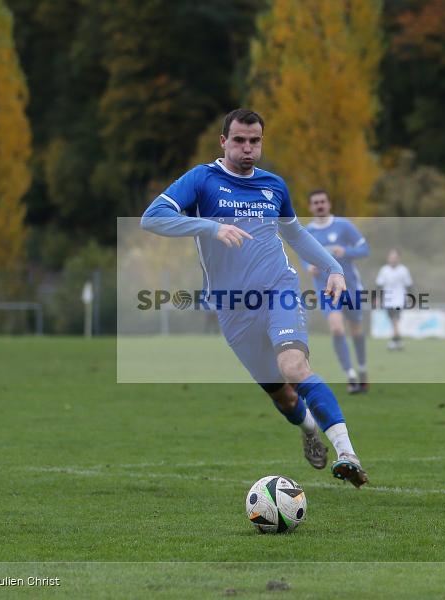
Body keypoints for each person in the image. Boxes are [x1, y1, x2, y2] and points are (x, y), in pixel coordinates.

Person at [141, 109, 368, 488]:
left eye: (255, 141)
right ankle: (310, 429)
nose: (248, 148)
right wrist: (210, 226)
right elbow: (153, 217)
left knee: (294, 366)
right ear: (223, 142)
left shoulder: (274, 186)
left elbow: (295, 236)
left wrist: (334, 268)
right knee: (284, 399)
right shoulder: (202, 179)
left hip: (280, 289)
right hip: (232, 308)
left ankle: (348, 454)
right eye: (240, 140)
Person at [305, 189, 370, 393]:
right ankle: (350, 375)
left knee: (356, 330)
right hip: (326, 291)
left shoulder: (344, 226)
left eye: (322, 201)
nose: (320, 205)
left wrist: (346, 252)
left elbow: (364, 249)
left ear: (329, 203)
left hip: (350, 287)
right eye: (315, 203)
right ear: (310, 207)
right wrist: (308, 265)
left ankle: (362, 371)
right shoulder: (307, 232)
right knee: (336, 328)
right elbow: (302, 253)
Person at [375, 249, 413, 350]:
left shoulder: (403, 270)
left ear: (398, 258)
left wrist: (410, 298)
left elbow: (409, 285)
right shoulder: (384, 270)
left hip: (399, 299)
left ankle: (393, 341)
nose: (393, 259)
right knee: (393, 321)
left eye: (395, 257)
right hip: (387, 300)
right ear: (388, 258)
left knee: (395, 319)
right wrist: (377, 298)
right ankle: (398, 341)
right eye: (391, 257)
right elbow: (379, 285)